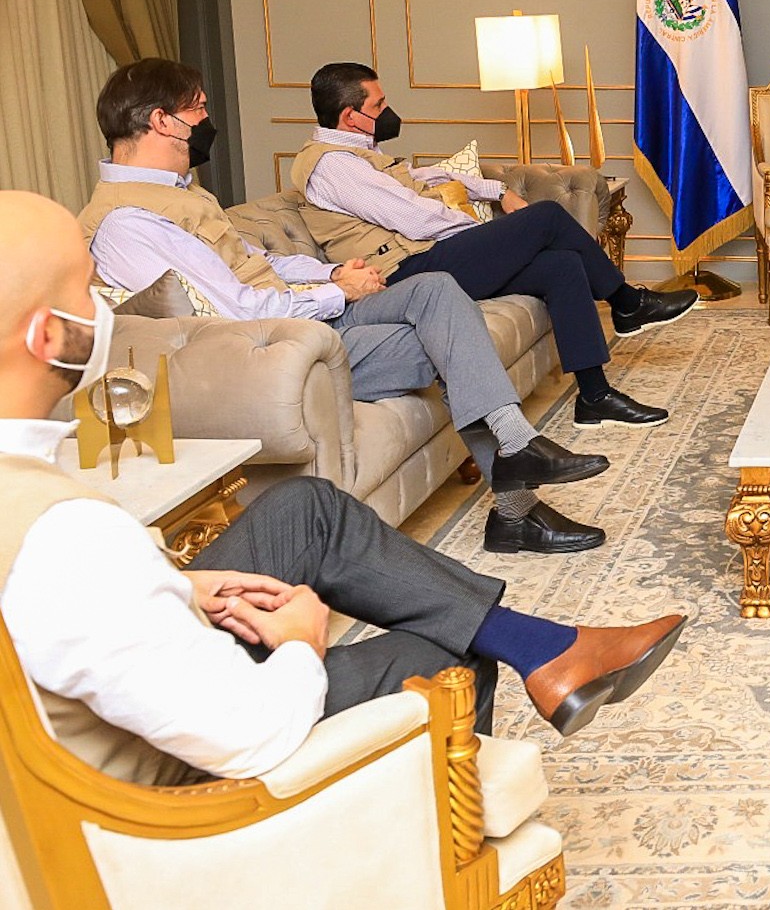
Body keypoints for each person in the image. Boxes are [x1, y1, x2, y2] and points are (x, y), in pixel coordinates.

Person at [0, 189, 686, 787]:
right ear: (48, 335)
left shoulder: (46, 508)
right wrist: (301, 640)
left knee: (307, 510)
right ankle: (448, 854)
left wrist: (176, 586)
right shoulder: (66, 535)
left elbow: (71, 612)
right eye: (89, 292)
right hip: (155, 783)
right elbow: (245, 730)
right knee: (446, 658)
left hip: (112, 680)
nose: (110, 310)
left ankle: (548, 641)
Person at [80, 60, 607, 555]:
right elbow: (239, 312)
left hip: (303, 318)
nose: (206, 121)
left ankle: (517, 462)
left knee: (437, 290)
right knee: (450, 335)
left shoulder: (179, 194)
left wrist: (330, 273)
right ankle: (516, 504)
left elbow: (255, 263)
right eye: (197, 108)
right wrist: (338, 294)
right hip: (282, 350)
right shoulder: (131, 222)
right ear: (162, 122)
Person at [294, 61, 694, 432]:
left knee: (562, 265)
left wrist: (498, 191)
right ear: (351, 116)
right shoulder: (334, 166)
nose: (387, 110)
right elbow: (414, 218)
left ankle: (595, 397)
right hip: (405, 275)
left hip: (427, 257)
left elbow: (429, 176)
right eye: (378, 104)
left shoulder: (360, 152)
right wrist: (478, 229)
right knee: (546, 217)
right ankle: (627, 302)